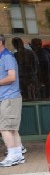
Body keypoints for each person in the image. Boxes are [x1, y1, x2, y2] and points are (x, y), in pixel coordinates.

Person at [0, 34, 26, 167]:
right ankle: (17, 155)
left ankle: (12, 155)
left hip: (9, 97)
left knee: (4, 128)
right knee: (12, 129)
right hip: (8, 97)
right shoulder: (3, 56)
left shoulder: (7, 57)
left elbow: (12, 77)